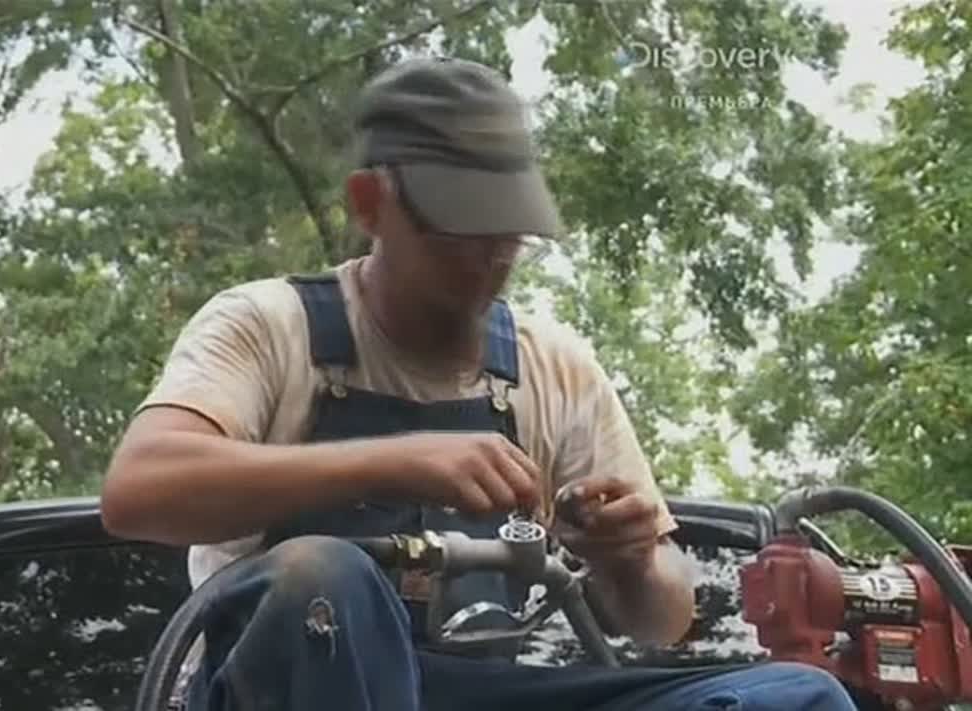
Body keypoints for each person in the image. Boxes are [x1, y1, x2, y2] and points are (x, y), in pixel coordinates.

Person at [101, 57, 857, 711]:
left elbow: (662, 620)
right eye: (458, 231)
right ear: (370, 203)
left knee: (796, 696)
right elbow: (139, 490)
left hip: (475, 690)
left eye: (506, 233)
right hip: (284, 681)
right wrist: (396, 461)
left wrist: (625, 557)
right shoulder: (268, 327)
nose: (488, 260)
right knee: (322, 577)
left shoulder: (551, 365)